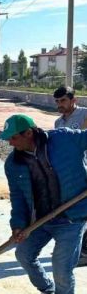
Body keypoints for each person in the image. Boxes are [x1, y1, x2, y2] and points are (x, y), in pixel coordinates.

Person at [0, 114, 87, 294]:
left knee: (61, 269)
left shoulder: (65, 139)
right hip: (41, 220)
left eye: (14, 137)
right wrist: (17, 225)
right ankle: (47, 289)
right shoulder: (13, 164)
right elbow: (18, 197)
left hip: (72, 219)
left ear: (29, 133)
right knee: (23, 255)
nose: (10, 143)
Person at [53, 85, 87, 266]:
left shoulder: (85, 115)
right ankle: (76, 248)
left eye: (63, 101)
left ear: (74, 100)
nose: (60, 104)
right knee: (77, 211)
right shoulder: (58, 123)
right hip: (72, 174)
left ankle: (84, 252)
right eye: (57, 101)